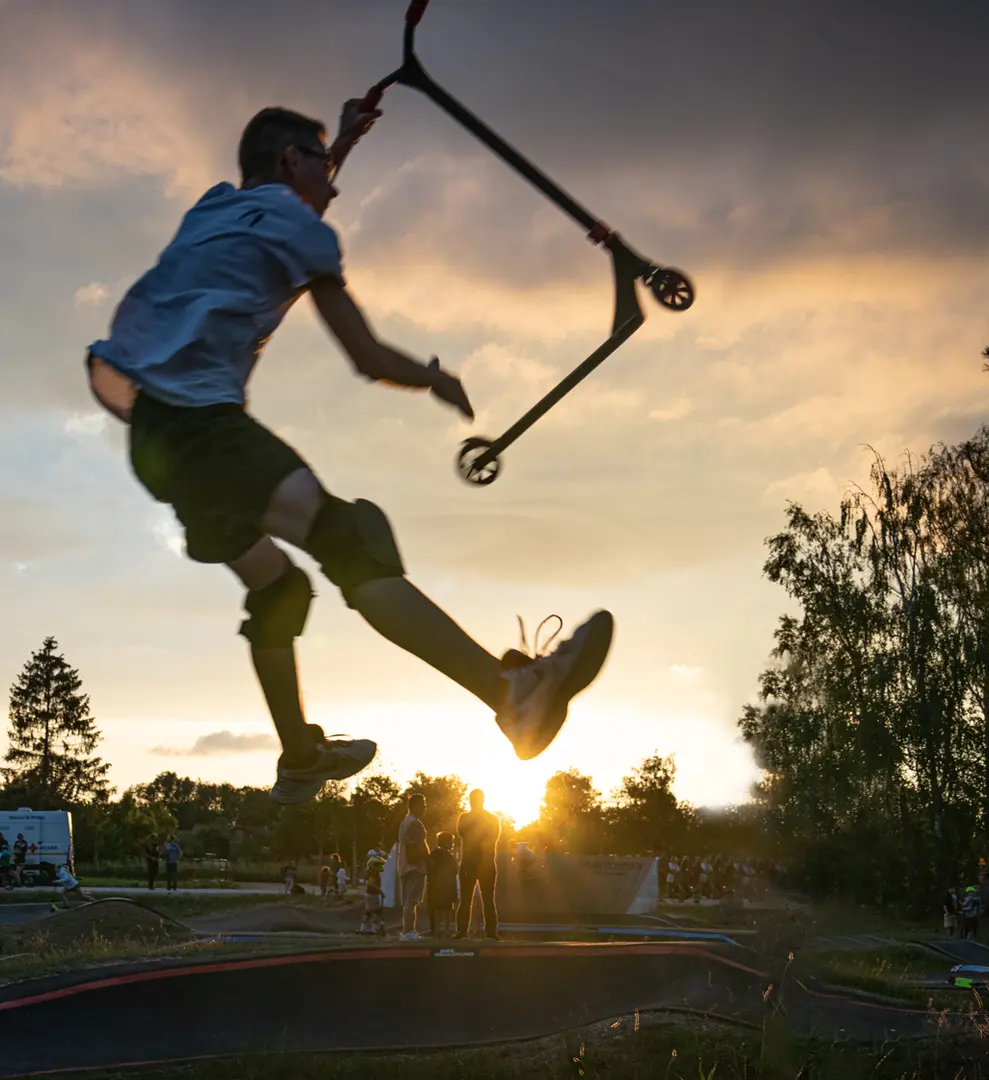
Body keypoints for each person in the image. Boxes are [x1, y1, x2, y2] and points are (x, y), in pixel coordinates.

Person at [83, 100, 616, 808]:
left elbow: (280, 198)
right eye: (322, 165)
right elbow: (365, 355)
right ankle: (509, 694)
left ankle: (300, 757)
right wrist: (434, 376)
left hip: (152, 438)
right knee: (350, 540)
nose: (334, 189)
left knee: (279, 591)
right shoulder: (302, 227)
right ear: (292, 162)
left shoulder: (213, 208)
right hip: (200, 429)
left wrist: (342, 141)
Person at [455, 789, 501, 939]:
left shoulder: (492, 818)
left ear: (482, 800)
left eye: (475, 799)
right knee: (466, 898)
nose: (473, 801)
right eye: (472, 799)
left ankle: (491, 932)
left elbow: (493, 837)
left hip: (485, 862)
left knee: (487, 898)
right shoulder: (466, 817)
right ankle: (462, 931)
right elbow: (461, 832)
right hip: (470, 862)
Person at [396, 793, 429, 941]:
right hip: (415, 866)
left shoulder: (405, 822)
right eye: (423, 804)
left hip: (405, 865)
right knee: (412, 900)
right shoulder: (414, 823)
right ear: (415, 805)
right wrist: (430, 861)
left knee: (409, 900)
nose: (424, 807)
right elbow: (421, 846)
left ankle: (408, 930)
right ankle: (408, 931)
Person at [428, 831, 459, 938]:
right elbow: (455, 871)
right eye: (452, 842)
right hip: (447, 887)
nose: (453, 844)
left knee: (437, 910)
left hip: (435, 887)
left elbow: (430, 869)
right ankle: (447, 931)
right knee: (447, 910)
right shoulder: (449, 857)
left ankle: (437, 931)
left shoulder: (434, 854)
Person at [360, 850, 386, 934]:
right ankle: (374, 929)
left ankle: (363, 928)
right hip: (373, 894)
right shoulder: (374, 873)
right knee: (376, 912)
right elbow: (371, 883)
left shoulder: (369, 872)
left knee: (368, 912)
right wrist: (380, 890)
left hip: (369, 894)